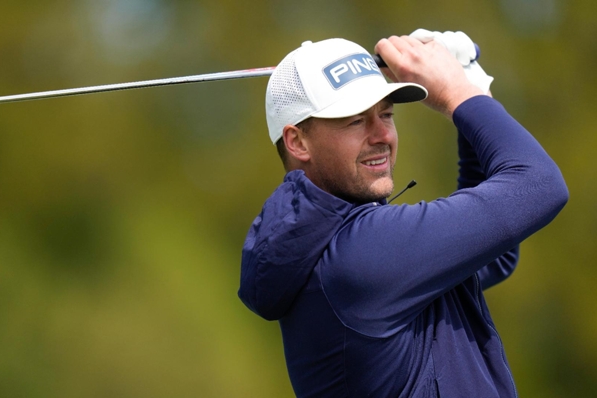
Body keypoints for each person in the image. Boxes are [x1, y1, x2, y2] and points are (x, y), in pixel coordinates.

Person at [238, 31, 568, 397]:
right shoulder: (361, 255)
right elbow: (539, 184)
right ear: (297, 141)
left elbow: (498, 252)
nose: (383, 135)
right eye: (355, 121)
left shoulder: (342, 248)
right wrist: (460, 93)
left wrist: (472, 85)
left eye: (387, 114)